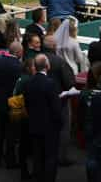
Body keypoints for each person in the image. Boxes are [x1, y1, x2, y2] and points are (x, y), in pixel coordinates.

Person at [22, 54, 62, 182]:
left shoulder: (28, 83)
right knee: (50, 156)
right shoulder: (51, 84)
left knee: (37, 156)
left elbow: (27, 104)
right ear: (47, 66)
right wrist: (59, 123)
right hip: (49, 127)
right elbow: (56, 108)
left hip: (34, 124)